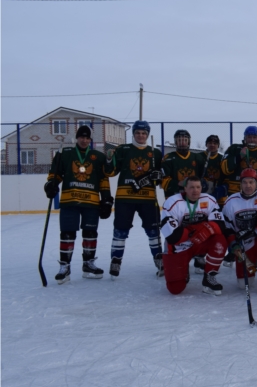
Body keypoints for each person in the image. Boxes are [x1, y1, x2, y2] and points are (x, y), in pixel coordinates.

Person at [44, 125, 112, 284]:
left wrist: (107, 199)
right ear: (77, 138)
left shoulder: (98, 157)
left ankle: (88, 264)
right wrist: (50, 185)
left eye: (87, 138)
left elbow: (103, 180)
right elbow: (56, 175)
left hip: (91, 202)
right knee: (67, 233)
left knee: (90, 233)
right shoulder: (65, 154)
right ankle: (65, 266)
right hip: (70, 201)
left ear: (90, 140)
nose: (84, 140)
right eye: (82, 137)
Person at [104, 120, 164, 278]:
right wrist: (109, 160)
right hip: (125, 197)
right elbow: (111, 173)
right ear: (133, 133)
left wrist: (158, 177)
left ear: (148, 135)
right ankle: (116, 261)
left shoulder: (156, 153)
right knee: (120, 230)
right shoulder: (122, 149)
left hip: (148, 198)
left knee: (153, 230)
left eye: (144, 133)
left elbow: (160, 179)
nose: (141, 135)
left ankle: (159, 260)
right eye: (138, 132)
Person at [160, 176, 229, 295]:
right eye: (191, 187)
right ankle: (183, 270)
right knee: (175, 289)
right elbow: (173, 236)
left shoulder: (209, 200)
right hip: (178, 247)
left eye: (198, 187)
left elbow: (221, 225)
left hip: (200, 242)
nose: (195, 190)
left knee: (220, 241)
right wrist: (202, 229)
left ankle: (209, 277)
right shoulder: (172, 202)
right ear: (185, 188)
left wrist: (205, 230)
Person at [220, 125, 257, 198]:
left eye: (254, 137)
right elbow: (224, 169)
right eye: (249, 137)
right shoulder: (234, 149)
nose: (252, 140)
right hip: (235, 193)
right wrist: (239, 157)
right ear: (245, 138)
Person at [161, 129, 206, 199]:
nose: (182, 143)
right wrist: (179, 183)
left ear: (189, 142)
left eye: (185, 140)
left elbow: (202, 177)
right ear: (175, 142)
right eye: (179, 140)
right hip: (173, 197)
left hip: (193, 196)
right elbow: (163, 181)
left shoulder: (198, 158)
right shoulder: (168, 158)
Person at [201, 134, 225, 201]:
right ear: (206, 144)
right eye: (210, 143)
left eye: (215, 143)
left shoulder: (222, 158)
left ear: (218, 146)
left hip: (217, 191)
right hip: (201, 191)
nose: (212, 145)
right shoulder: (199, 157)